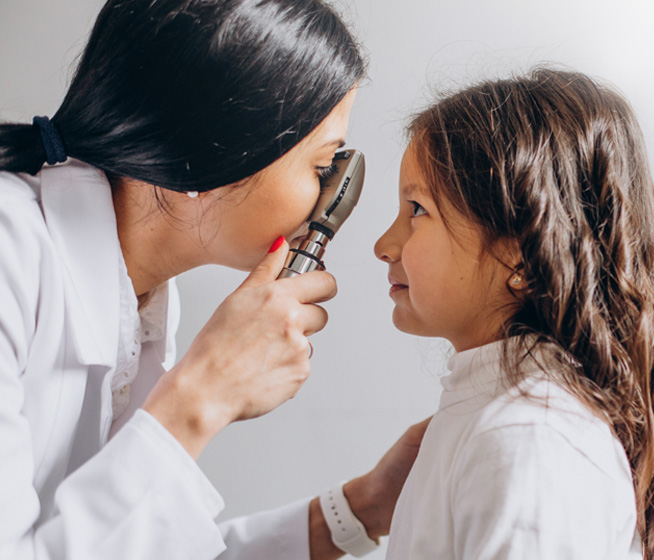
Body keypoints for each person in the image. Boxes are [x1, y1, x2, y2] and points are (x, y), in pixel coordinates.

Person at [0, 1, 427, 559]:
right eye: (322, 169)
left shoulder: (144, 301)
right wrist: (204, 394)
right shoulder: (10, 256)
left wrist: (362, 510)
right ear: (209, 152)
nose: (329, 199)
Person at [373, 67, 654, 560]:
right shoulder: (501, 422)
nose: (385, 245)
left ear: (522, 257)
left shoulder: (530, 440)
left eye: (417, 209)